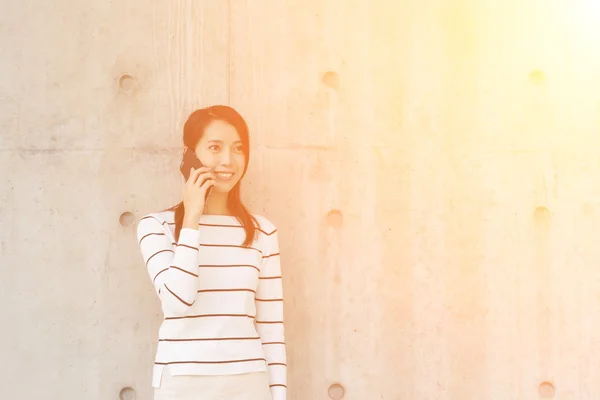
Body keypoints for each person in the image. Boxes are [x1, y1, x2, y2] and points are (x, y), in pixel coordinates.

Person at [136, 105, 287, 400]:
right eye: (215, 147)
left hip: (249, 384)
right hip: (181, 384)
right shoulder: (157, 227)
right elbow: (178, 302)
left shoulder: (263, 232)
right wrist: (192, 218)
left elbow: (271, 330)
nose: (228, 160)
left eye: (238, 148)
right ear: (190, 155)